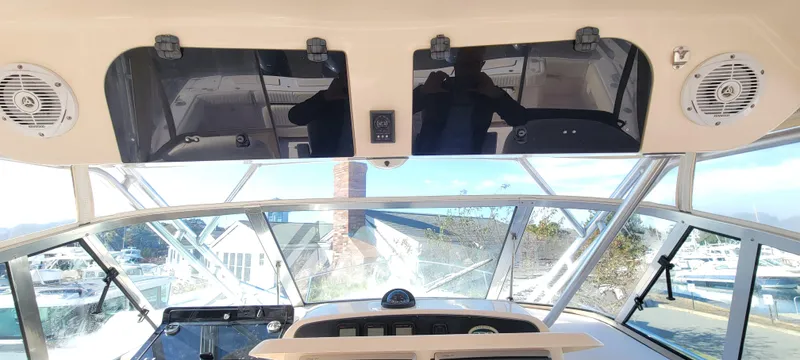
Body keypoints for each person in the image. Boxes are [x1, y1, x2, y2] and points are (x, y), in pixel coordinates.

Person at [413, 46, 527, 155]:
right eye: (464, 64)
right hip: (427, 160)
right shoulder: (437, 89)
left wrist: (495, 94)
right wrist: (424, 91)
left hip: (471, 163)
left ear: (481, 66)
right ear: (456, 65)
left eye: (473, 64)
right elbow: (401, 112)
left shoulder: (487, 93)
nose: (467, 70)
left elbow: (519, 119)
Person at [287, 69, 353, 157]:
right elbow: (295, 117)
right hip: (326, 160)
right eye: (341, 78)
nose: (346, 83)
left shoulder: (365, 101)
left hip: (359, 157)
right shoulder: (324, 101)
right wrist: (326, 97)